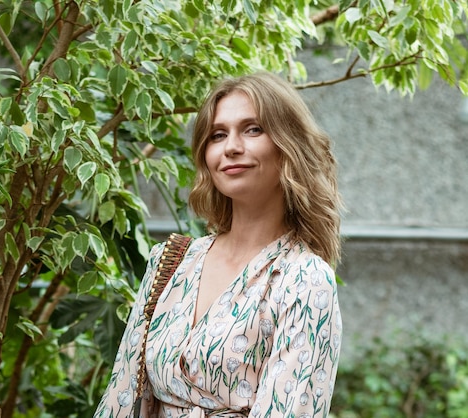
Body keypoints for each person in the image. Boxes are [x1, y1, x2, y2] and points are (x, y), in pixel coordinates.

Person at [94, 71, 343, 418]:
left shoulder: (303, 280)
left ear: (289, 146)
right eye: (218, 135)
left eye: (253, 129)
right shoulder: (172, 262)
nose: (231, 147)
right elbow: (122, 395)